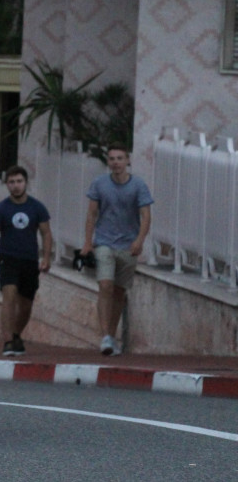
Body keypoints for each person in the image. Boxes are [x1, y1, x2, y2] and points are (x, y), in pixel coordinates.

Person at [82, 143, 153, 356]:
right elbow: (92, 214)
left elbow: (146, 215)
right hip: (104, 242)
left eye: (120, 158)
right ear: (108, 162)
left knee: (119, 291)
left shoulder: (138, 185)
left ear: (128, 161)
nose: (116, 163)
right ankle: (105, 336)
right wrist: (88, 242)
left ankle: (111, 336)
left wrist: (140, 240)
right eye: (112, 159)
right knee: (105, 286)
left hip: (128, 244)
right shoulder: (99, 184)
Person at [0, 165, 53, 357]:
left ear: (26, 183)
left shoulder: (37, 207)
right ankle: (7, 341)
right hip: (8, 259)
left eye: (19, 181)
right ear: (7, 185)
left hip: (29, 260)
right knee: (9, 296)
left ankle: (15, 334)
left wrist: (46, 258)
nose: (16, 186)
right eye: (12, 182)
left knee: (26, 304)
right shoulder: (1, 209)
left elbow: (46, 234)